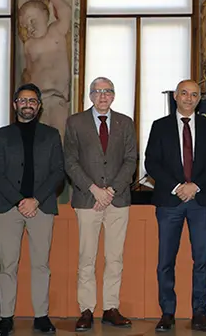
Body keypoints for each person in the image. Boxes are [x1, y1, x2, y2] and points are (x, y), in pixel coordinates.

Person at [145, 79, 206, 332]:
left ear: (200, 99)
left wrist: (195, 186)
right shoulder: (160, 126)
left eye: (194, 94)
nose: (189, 98)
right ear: (175, 96)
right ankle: (167, 312)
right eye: (184, 93)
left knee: (201, 259)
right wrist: (178, 187)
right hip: (169, 202)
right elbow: (152, 163)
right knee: (165, 260)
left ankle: (200, 311)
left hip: (199, 201)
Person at [64, 77, 137, 331]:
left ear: (114, 96)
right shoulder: (75, 122)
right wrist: (95, 190)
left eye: (107, 92)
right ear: (90, 96)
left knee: (115, 257)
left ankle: (110, 308)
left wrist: (112, 190)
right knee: (87, 257)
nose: (102, 96)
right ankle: (86, 309)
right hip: (87, 199)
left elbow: (131, 160)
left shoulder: (125, 123)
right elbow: (70, 162)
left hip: (118, 200)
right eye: (97, 92)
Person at [0, 84, 64, 336]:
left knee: (41, 265)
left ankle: (41, 316)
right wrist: (19, 200)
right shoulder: (1, 134)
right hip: (8, 208)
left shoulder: (52, 135)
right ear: (15, 105)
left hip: (41, 207)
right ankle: (6, 317)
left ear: (39, 106)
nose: (27, 104)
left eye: (32, 101)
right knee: (7, 265)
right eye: (23, 100)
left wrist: (35, 200)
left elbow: (58, 172)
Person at [18, 0, 71, 137]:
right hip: (38, 100)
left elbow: (66, 12)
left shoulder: (55, 32)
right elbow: (29, 70)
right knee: (37, 137)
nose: (30, 28)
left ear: (45, 15)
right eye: (26, 26)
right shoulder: (28, 45)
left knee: (58, 136)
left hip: (57, 96)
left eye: (33, 21)